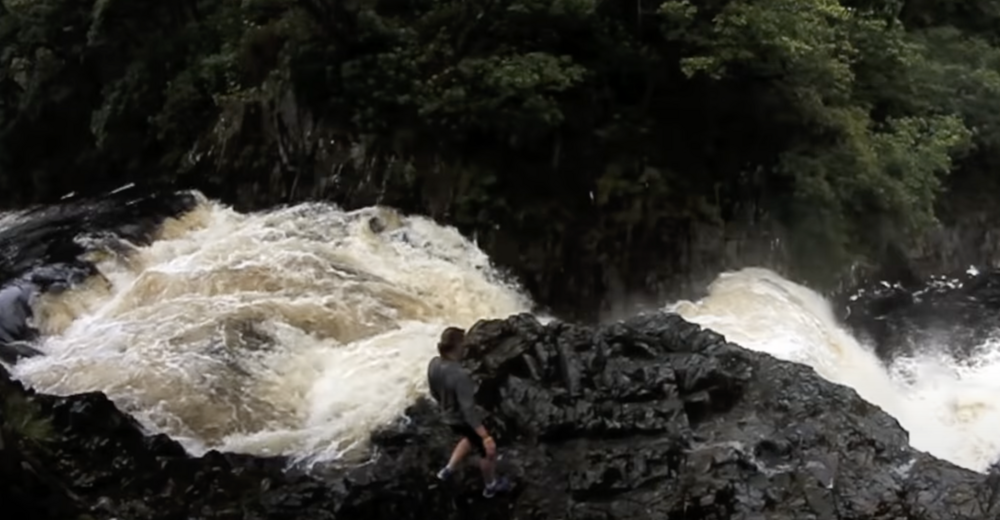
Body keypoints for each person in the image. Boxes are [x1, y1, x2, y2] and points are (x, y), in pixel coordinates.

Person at [427, 326, 511, 498]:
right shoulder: (460, 375)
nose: (466, 346)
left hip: (446, 415)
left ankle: (448, 469)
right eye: (463, 343)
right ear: (457, 346)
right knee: (488, 453)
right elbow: (469, 412)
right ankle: (491, 486)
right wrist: (485, 437)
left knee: (468, 438)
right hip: (461, 419)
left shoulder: (434, 363)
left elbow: (433, 391)